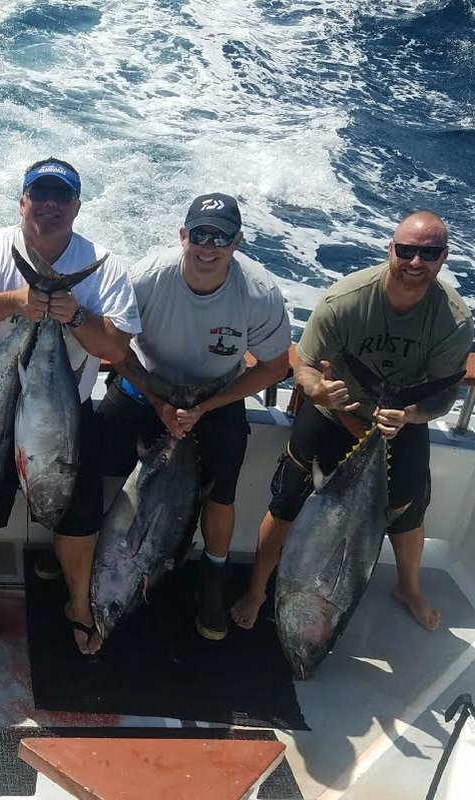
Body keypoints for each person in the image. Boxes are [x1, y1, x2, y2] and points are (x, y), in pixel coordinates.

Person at [0, 158, 139, 655]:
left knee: (79, 515)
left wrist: (76, 316)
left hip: (63, 414)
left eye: (61, 196)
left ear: (77, 206)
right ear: (22, 202)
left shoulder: (104, 263)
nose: (50, 205)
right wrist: (16, 301)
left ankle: (79, 604)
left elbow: (116, 349)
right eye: (39, 195)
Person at [231, 211, 472, 632]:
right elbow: (304, 365)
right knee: (286, 503)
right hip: (333, 411)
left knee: (408, 514)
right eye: (407, 250)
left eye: (429, 253)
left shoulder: (452, 318)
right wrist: (317, 391)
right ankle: (257, 589)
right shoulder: (346, 299)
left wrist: (410, 414)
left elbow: (444, 395)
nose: (416, 261)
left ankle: (408, 587)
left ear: (444, 256)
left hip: (401, 423)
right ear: (390, 249)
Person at [98, 193, 291, 641]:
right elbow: (115, 349)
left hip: (218, 394)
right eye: (201, 235)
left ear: (238, 242)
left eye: (222, 238)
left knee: (221, 494)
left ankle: (213, 582)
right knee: (89, 455)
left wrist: (204, 407)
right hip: (148, 383)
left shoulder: (258, 293)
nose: (209, 247)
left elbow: (274, 367)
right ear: (183, 235)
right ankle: (80, 541)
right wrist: (160, 400)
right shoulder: (148, 277)